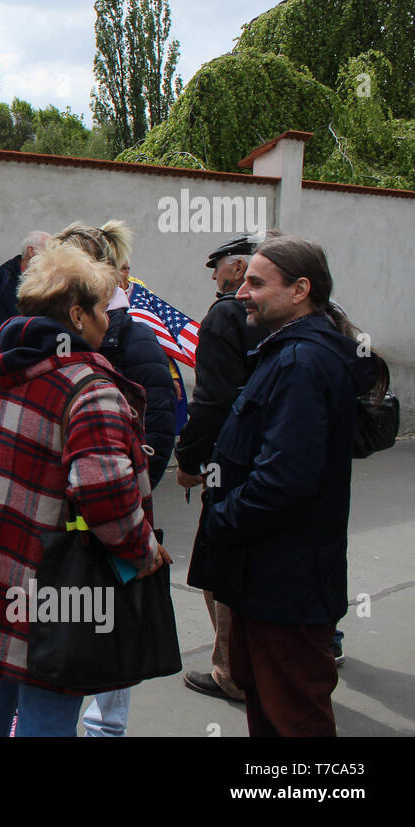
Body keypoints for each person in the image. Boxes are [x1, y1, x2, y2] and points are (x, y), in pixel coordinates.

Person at [0, 240, 170, 737]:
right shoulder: (87, 389)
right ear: (76, 315)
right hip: (56, 586)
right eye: (101, 309)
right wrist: (141, 548)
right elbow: (106, 497)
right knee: (49, 700)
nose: (109, 320)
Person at [186, 236, 379, 736]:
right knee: (268, 709)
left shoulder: (301, 363)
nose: (242, 292)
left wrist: (221, 519)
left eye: (256, 282)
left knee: (295, 717)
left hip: (285, 585)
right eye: (244, 279)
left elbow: (284, 480)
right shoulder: (285, 353)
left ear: (300, 290)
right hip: (265, 580)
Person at [56, 221, 176, 737]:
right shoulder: (48, 335)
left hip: (110, 507)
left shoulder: (130, 336)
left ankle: (105, 728)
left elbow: (162, 418)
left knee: (110, 612)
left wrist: (129, 475)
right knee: (60, 620)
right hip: (60, 511)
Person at [175, 234, 268, 702]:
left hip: (233, 462)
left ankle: (230, 670)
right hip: (282, 462)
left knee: (219, 566)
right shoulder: (315, 316)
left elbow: (212, 400)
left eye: (220, 269)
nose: (215, 277)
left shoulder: (227, 315)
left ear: (238, 269)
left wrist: (189, 460)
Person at [0, 231, 49, 332]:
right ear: (31, 251)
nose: (53, 256)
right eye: (49, 250)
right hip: (3, 344)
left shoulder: (50, 283)